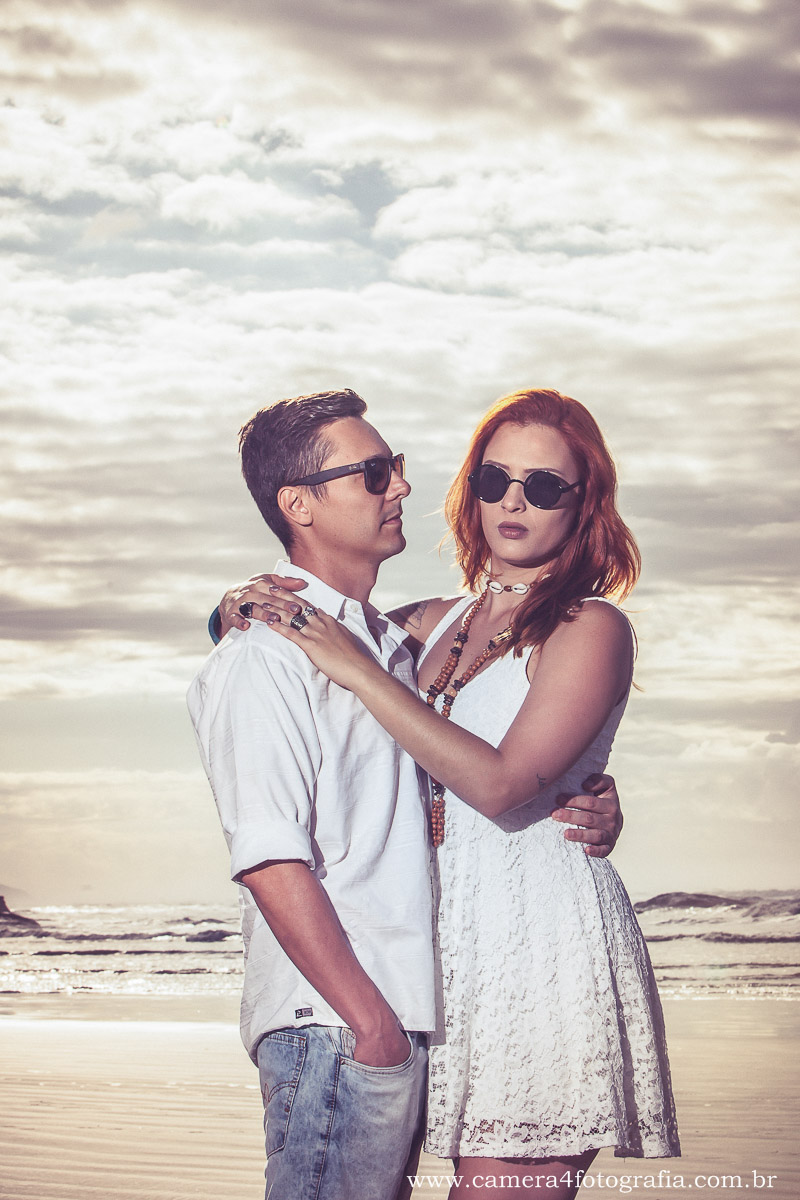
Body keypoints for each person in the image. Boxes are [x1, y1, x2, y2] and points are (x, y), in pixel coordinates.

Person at [236, 388, 680, 1200]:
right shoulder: (427, 622)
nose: (514, 500)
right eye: (494, 477)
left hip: (536, 936)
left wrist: (363, 671)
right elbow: (311, 625)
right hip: (437, 944)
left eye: (545, 487)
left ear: (585, 506)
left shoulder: (591, 626)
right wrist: (229, 606)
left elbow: (502, 781)